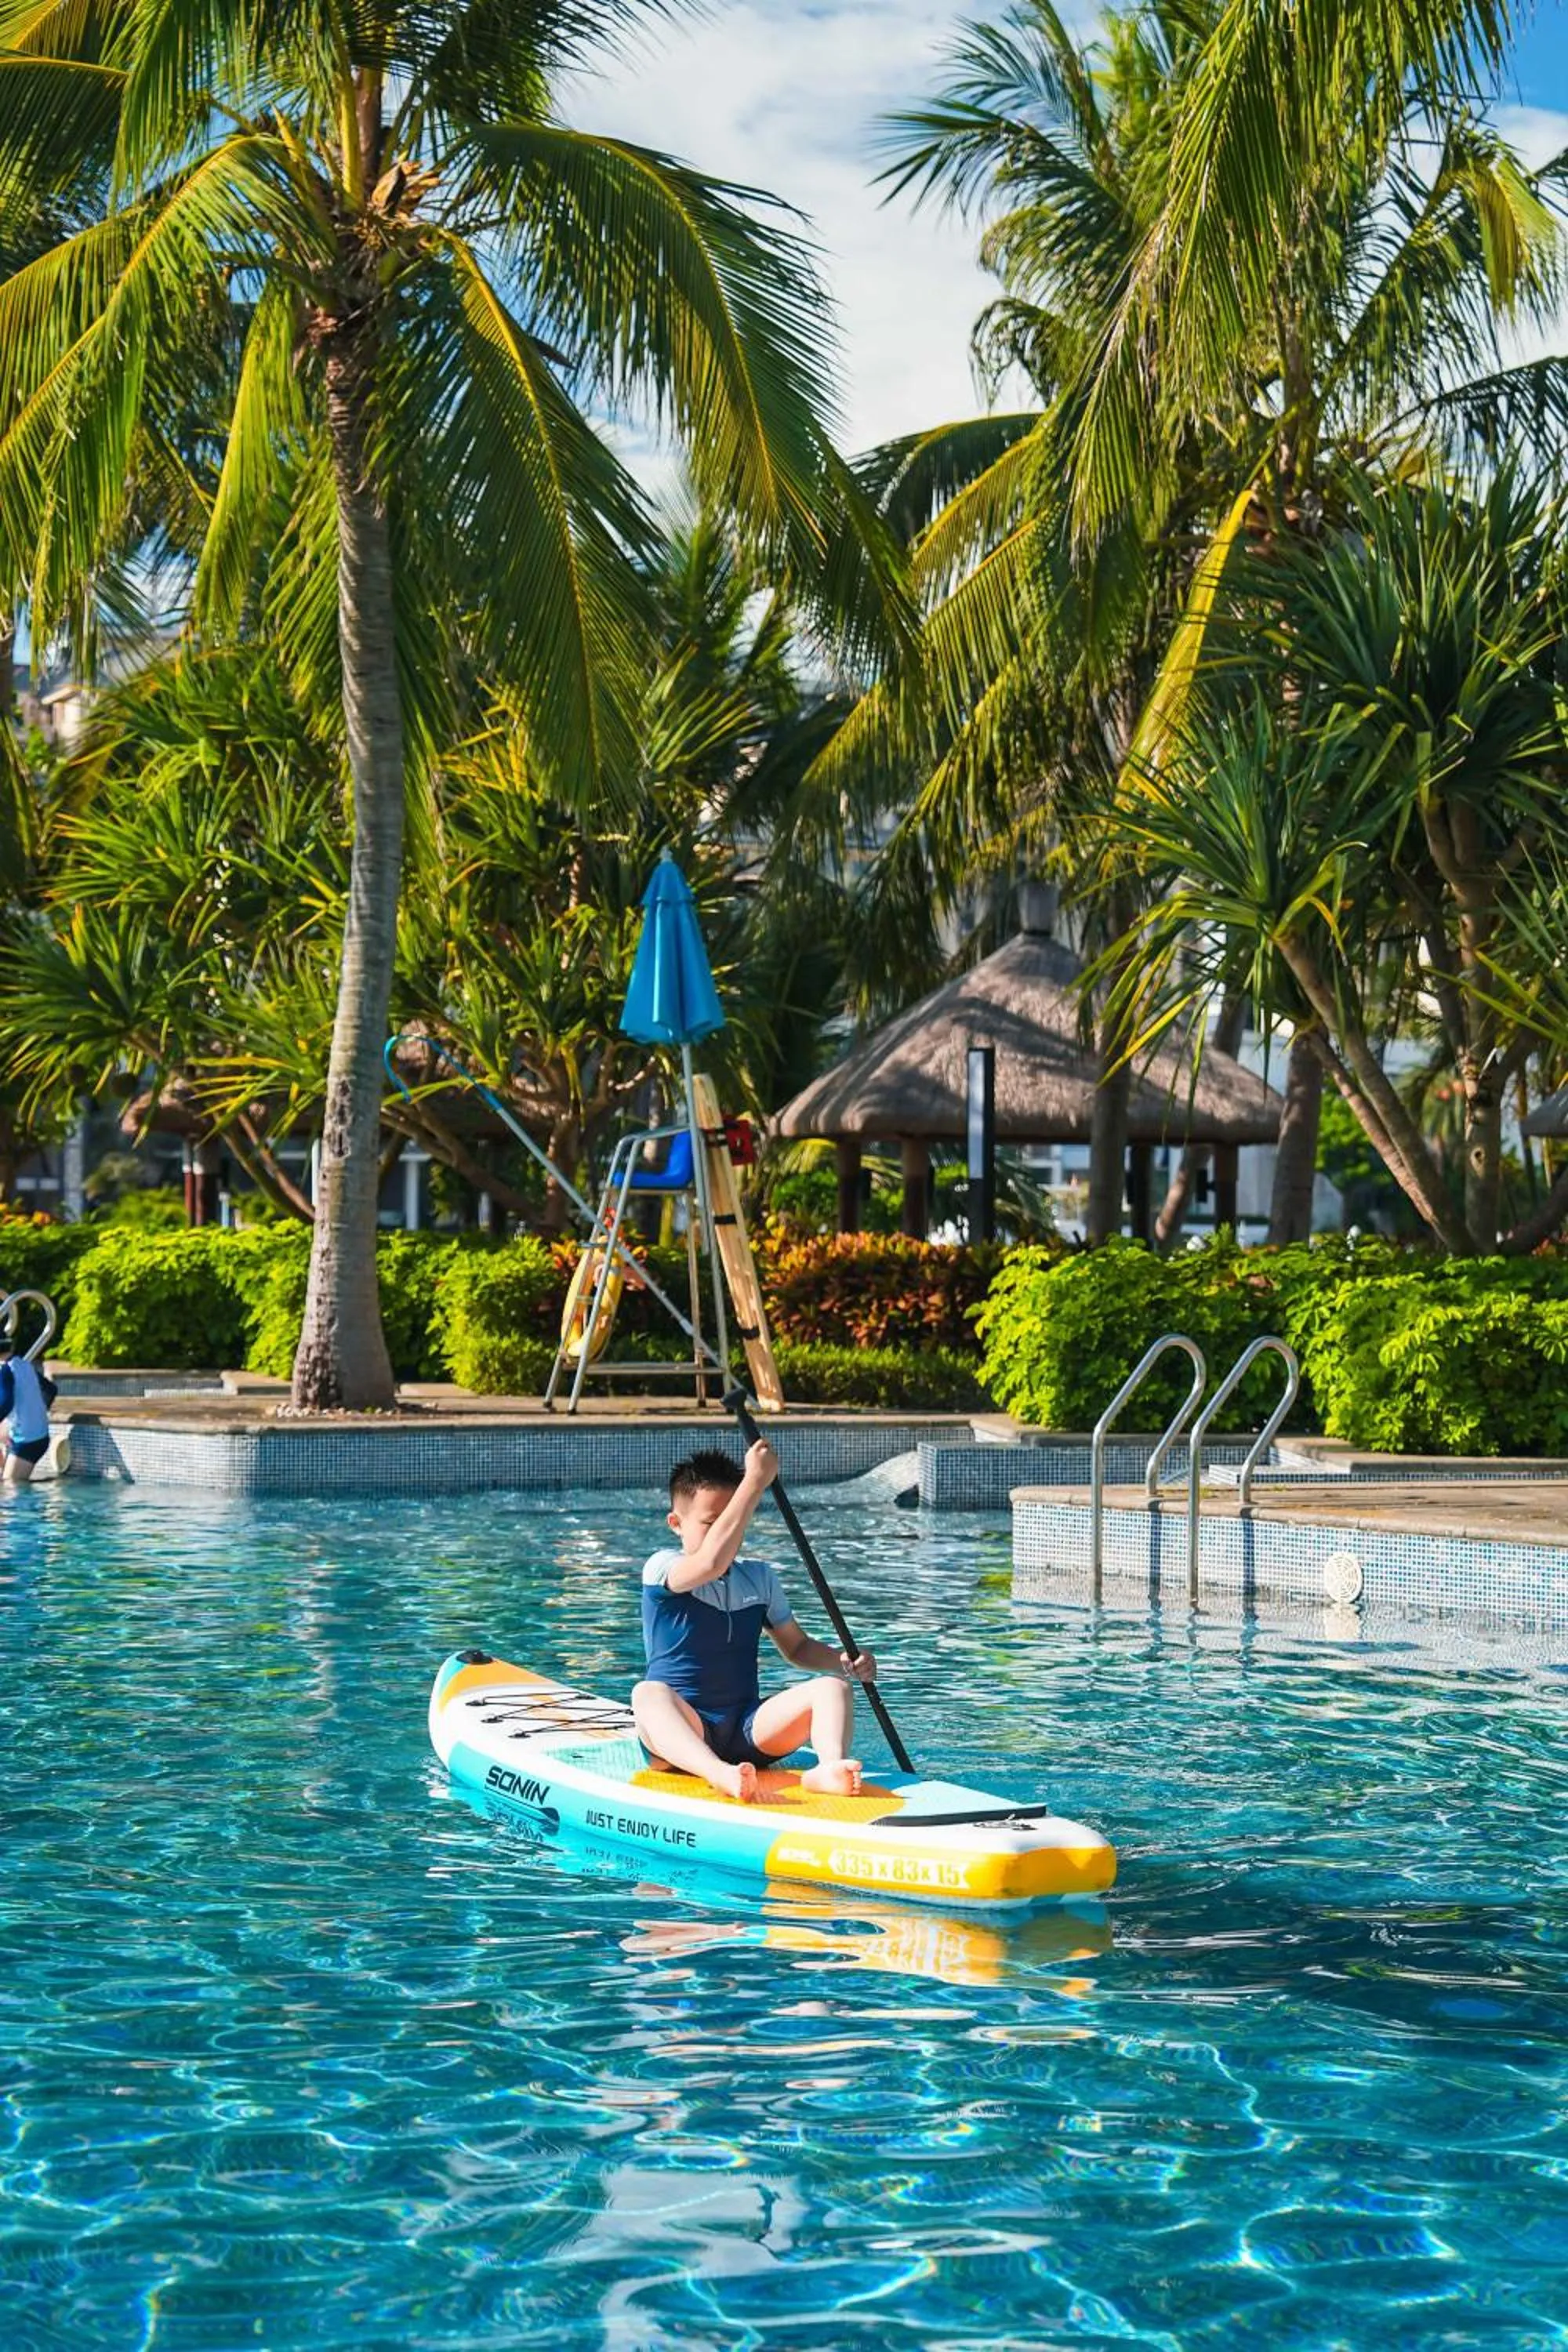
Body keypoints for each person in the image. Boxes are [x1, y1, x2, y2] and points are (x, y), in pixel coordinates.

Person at [633, 1442, 878, 1804]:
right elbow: (710, 1564)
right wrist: (755, 1481)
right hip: (682, 1735)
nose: (725, 1530)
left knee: (833, 1688)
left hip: (747, 1731)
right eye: (710, 1523)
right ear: (676, 1524)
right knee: (647, 1694)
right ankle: (719, 1774)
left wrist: (843, 1662)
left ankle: (828, 1769)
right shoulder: (662, 1568)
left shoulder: (759, 1578)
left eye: (731, 1518)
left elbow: (796, 1647)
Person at [0, 1339, 59, 1483]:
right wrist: (37, 1413)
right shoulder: (25, 1365)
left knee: (10, 1488)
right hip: (40, 1435)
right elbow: (51, 1390)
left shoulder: (4, 1370)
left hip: (27, 1442)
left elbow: (7, 1402)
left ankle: (53, 1483)